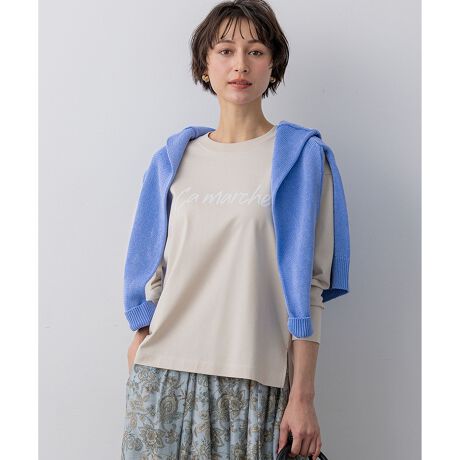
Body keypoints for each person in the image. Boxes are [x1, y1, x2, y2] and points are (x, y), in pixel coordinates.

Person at [121, 1, 350, 459]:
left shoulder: (301, 158)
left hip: (254, 382)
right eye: (225, 50)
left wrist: (302, 397)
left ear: (273, 65)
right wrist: (140, 338)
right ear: (204, 66)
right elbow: (153, 269)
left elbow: (309, 285)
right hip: (162, 374)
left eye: (256, 51)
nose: (240, 64)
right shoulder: (172, 160)